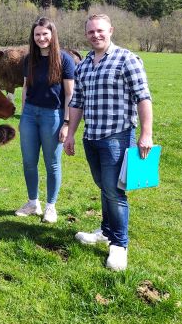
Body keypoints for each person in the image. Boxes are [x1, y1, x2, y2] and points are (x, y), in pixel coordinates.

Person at [63, 14, 153, 271]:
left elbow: (143, 97)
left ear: (111, 30)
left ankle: (119, 245)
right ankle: (105, 230)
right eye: (91, 32)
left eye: (100, 31)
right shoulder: (84, 65)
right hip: (91, 137)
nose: (96, 35)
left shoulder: (127, 60)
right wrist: (70, 133)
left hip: (118, 136)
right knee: (104, 186)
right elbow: (77, 103)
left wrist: (146, 134)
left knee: (115, 191)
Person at [16, 17, 76, 223]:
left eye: (45, 34)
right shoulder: (28, 60)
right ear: (33, 37)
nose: (41, 38)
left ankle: (51, 206)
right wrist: (24, 115)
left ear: (52, 35)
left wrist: (67, 123)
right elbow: (25, 88)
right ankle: (33, 203)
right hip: (30, 115)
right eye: (37, 35)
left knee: (52, 164)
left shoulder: (64, 60)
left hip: (54, 116)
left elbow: (70, 94)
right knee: (29, 162)